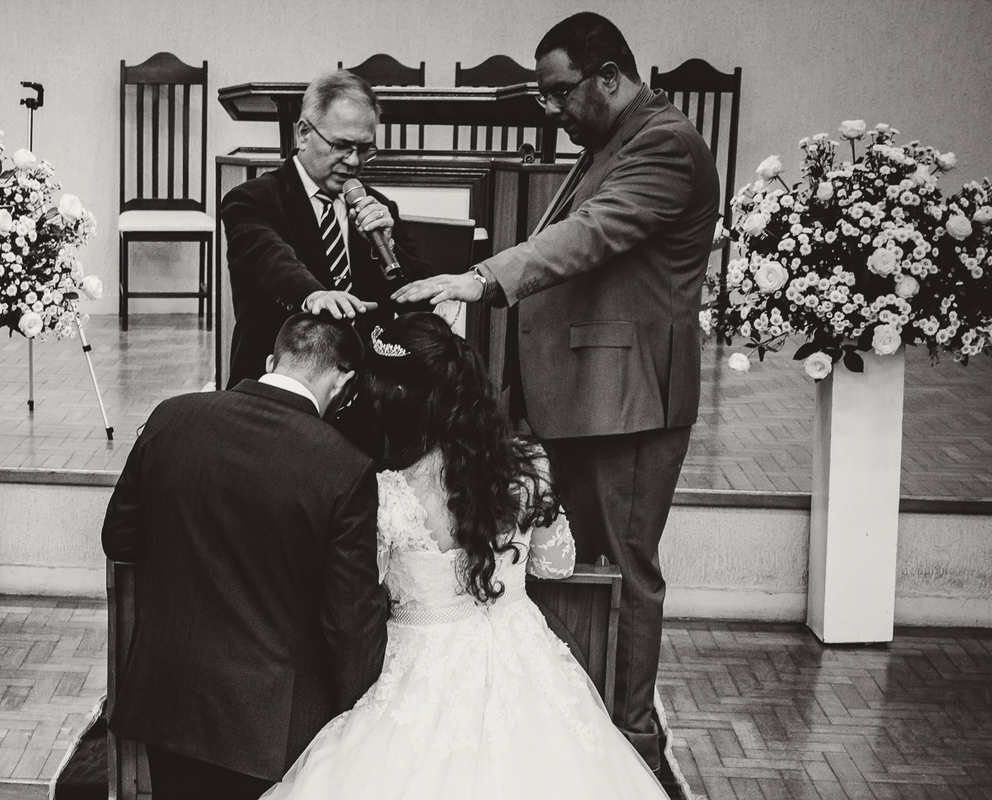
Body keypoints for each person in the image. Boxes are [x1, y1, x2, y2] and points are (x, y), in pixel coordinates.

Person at [392, 12, 720, 777]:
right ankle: (580, 729)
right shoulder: (609, 139)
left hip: (628, 403)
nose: (552, 110)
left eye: (560, 93)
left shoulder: (666, 143)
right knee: (576, 568)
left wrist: (481, 280)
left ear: (610, 76)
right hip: (582, 393)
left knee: (624, 568)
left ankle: (633, 738)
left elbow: (592, 234)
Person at [261, 313, 667, 799]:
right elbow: (556, 565)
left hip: (417, 670)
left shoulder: (385, 492)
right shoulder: (527, 468)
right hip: (523, 659)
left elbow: (358, 596)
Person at [101, 313, 388, 800]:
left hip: (169, 698)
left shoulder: (172, 416)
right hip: (268, 722)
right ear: (343, 382)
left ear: (271, 361)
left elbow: (120, 538)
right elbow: (348, 619)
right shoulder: (345, 468)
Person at [221, 69, 431, 389]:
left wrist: (386, 248)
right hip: (279, 383)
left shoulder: (375, 205)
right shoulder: (252, 199)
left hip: (360, 388)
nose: (353, 161)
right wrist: (315, 295)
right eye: (342, 146)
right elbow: (270, 259)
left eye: (365, 150)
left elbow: (418, 299)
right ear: (304, 133)